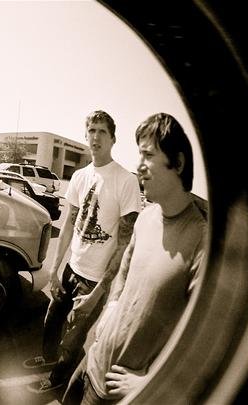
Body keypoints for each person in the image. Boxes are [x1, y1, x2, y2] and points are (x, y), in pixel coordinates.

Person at [61, 113, 208, 404]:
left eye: (148, 155)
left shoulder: (202, 243)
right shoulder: (146, 217)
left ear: (178, 163)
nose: (139, 166)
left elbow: (205, 339)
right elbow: (124, 272)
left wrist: (153, 379)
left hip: (114, 393)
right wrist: (111, 307)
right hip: (91, 361)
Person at [26, 110, 141, 394]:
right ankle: (48, 358)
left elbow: (125, 244)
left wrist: (99, 292)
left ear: (113, 139)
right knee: (52, 319)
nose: (96, 137)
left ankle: (58, 378)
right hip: (70, 269)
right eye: (91, 130)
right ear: (85, 135)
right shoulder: (80, 176)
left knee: (73, 337)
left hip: (94, 280)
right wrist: (55, 269)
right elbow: (69, 224)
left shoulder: (125, 180)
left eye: (102, 131)